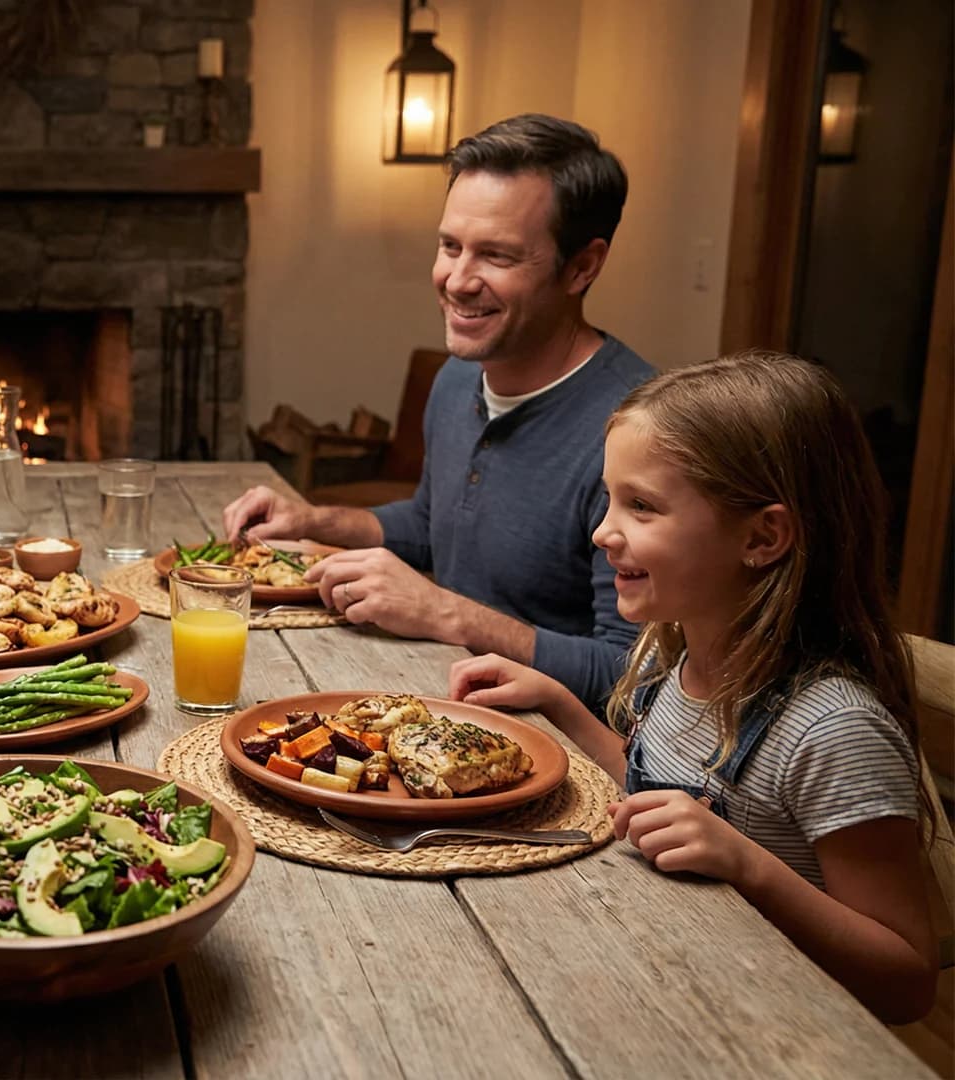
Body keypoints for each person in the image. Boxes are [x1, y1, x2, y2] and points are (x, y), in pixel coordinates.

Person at [448, 352, 937, 1024]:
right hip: (666, 978)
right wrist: (557, 703)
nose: (602, 531)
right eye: (610, 498)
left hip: (767, 1028)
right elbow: (651, 796)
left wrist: (749, 866)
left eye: (641, 506)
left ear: (763, 536)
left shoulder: (833, 731)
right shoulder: (672, 652)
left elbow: (907, 981)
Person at [224, 114, 654, 709]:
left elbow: (637, 676)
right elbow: (434, 525)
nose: (456, 280)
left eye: (497, 256)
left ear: (582, 266)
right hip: (437, 702)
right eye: (450, 246)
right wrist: (313, 521)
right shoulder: (457, 379)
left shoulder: (641, 434)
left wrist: (446, 613)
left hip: (555, 743)